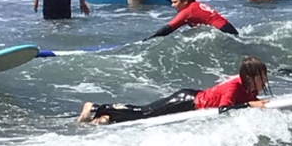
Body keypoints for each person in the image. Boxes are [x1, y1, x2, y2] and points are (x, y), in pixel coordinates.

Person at [77, 56, 269, 124]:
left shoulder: (249, 88)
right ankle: (95, 107)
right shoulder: (234, 87)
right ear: (250, 78)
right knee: (145, 113)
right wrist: (249, 105)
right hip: (185, 101)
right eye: (261, 77)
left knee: (144, 114)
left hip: (192, 97)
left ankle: (108, 118)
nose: (265, 81)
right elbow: (223, 110)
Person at [149, 0, 240, 37]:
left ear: (185, 1)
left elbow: (168, 28)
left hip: (222, 31)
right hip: (228, 27)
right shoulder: (197, 5)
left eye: (175, 2)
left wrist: (150, 38)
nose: (173, 5)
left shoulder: (187, 11)